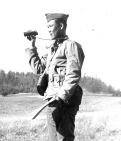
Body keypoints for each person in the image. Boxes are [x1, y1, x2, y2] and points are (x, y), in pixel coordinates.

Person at [25, 13, 85, 141]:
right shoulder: (52, 49)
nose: (48, 30)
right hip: (52, 101)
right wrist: (32, 46)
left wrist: (61, 96)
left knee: (64, 139)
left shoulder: (71, 45)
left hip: (64, 101)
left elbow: (73, 74)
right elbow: (39, 68)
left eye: (51, 26)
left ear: (61, 25)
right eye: (47, 27)